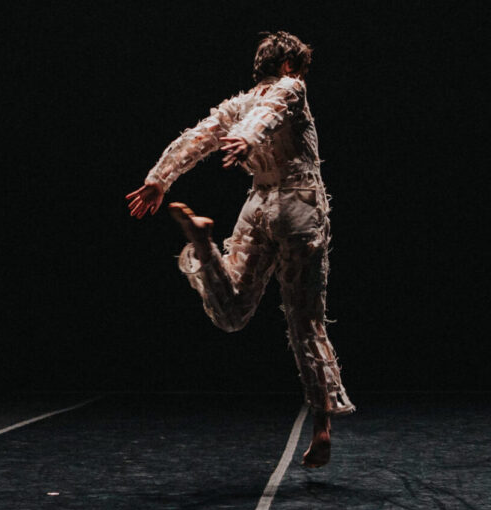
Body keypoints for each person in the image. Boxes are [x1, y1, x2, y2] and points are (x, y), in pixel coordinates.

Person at [126, 31, 354, 467]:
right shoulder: (290, 87)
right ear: (290, 66)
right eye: (300, 69)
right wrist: (247, 139)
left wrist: (159, 178)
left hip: (258, 206)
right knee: (306, 322)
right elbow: (271, 112)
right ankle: (322, 427)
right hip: (298, 205)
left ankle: (203, 243)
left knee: (231, 313)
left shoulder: (238, 105)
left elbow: (199, 136)